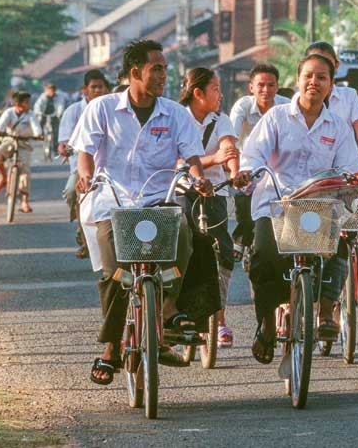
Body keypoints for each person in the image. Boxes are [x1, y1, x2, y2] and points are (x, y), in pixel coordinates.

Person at [70, 38, 216, 385]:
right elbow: (85, 152)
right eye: (158, 69)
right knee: (113, 270)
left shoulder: (176, 113)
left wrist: (198, 180)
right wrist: (86, 174)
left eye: (165, 69)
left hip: (156, 199)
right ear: (135, 72)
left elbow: (193, 158)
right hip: (112, 201)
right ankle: (110, 348)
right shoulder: (102, 108)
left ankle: (167, 307)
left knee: (183, 233)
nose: (165, 75)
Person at [235, 54, 358, 364]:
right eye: (308, 76)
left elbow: (349, 166)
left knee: (341, 245)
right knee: (263, 256)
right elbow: (254, 156)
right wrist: (248, 171)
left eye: (322, 78)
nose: (314, 83)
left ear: (331, 86)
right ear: (298, 79)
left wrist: (354, 181)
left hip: (317, 206)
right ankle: (265, 323)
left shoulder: (339, 128)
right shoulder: (276, 117)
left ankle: (323, 310)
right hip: (275, 205)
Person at [302, 41, 358, 311]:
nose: (316, 79)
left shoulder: (348, 97)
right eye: (312, 70)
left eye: (325, 68)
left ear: (335, 68)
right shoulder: (298, 103)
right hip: (309, 181)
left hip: (346, 173)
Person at [179, 67, 240, 352]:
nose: (220, 94)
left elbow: (229, 149)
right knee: (183, 247)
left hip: (215, 192)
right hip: (183, 192)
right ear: (198, 93)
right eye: (215, 89)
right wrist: (213, 159)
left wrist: (235, 171)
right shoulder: (176, 118)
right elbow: (178, 159)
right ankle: (178, 314)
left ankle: (219, 318)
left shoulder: (222, 119)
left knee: (224, 251)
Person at [229, 64, 290, 258]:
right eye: (261, 85)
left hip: (277, 164)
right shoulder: (243, 106)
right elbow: (231, 138)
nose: (266, 90)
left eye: (270, 85)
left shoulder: (286, 106)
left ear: (277, 86)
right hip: (249, 161)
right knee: (243, 191)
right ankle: (242, 235)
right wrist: (236, 171)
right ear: (251, 87)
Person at [58, 69, 111, 258]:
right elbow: (64, 141)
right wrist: (65, 147)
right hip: (82, 166)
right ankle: (82, 234)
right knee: (74, 191)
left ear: (106, 89)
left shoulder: (111, 109)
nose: (97, 90)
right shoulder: (73, 111)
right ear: (85, 90)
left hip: (107, 166)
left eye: (100, 87)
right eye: (93, 87)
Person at [0, 91, 43, 213]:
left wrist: (38, 134)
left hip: (24, 144)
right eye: (27, 102)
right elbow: (1, 126)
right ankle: (3, 178)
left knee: (25, 171)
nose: (29, 105)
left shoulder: (30, 114)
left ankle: (25, 201)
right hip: (9, 140)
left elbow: (36, 127)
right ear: (18, 104)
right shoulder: (8, 113)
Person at [34, 83, 69, 159]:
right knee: (39, 123)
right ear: (46, 91)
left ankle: (55, 147)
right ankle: (41, 135)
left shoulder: (59, 97)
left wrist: (59, 113)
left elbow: (60, 105)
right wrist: (39, 113)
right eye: (50, 91)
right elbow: (37, 106)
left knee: (56, 130)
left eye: (53, 91)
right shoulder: (42, 97)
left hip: (54, 115)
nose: (51, 92)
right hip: (44, 114)